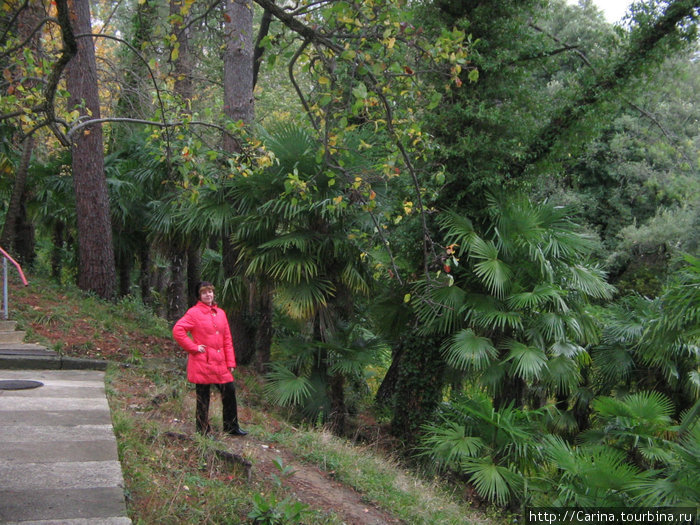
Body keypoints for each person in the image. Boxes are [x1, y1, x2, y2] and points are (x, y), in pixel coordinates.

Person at [172, 281, 247, 436]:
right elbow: (178, 330)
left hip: (220, 362)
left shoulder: (221, 313)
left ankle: (231, 427)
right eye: (204, 292)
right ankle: (203, 431)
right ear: (199, 296)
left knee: (229, 392)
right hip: (202, 362)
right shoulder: (193, 313)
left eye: (210, 292)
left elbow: (227, 338)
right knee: (203, 397)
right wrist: (193, 347)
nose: (208, 295)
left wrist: (230, 361)